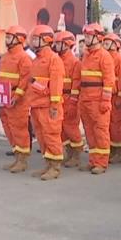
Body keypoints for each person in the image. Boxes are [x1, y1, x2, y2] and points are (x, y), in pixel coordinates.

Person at [24, 25, 65, 180]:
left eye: (36, 39)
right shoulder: (37, 60)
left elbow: (55, 85)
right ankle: (48, 164)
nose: (33, 42)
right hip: (36, 105)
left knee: (51, 135)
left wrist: (54, 105)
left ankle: (55, 167)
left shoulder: (54, 60)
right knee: (41, 136)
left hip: (48, 106)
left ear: (46, 40)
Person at [78, 24, 116, 174]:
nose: (86, 39)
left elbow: (109, 80)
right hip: (86, 98)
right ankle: (93, 160)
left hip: (98, 100)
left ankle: (101, 162)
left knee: (100, 132)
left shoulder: (104, 56)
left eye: (88, 36)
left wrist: (105, 101)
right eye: (85, 36)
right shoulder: (86, 55)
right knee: (89, 132)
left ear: (97, 37)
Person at [0, 26, 33, 171]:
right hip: (4, 98)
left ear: (18, 39)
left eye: (9, 37)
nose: (6, 40)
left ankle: (22, 160)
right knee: (9, 128)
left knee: (19, 129)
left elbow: (25, 80)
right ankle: (16, 156)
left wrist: (16, 96)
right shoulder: (5, 57)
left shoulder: (24, 58)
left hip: (18, 101)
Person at [53, 31, 84, 168]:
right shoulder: (57, 60)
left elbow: (76, 84)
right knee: (62, 128)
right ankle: (69, 153)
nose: (56, 46)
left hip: (69, 98)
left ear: (67, 45)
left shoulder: (75, 62)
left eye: (59, 44)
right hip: (60, 97)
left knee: (71, 128)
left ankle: (76, 155)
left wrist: (73, 101)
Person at [103, 33, 121, 164]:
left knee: (116, 125)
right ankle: (111, 150)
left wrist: (120, 96)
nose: (105, 45)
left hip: (116, 97)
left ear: (116, 45)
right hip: (108, 95)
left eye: (108, 43)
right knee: (108, 125)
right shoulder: (105, 57)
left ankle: (118, 151)